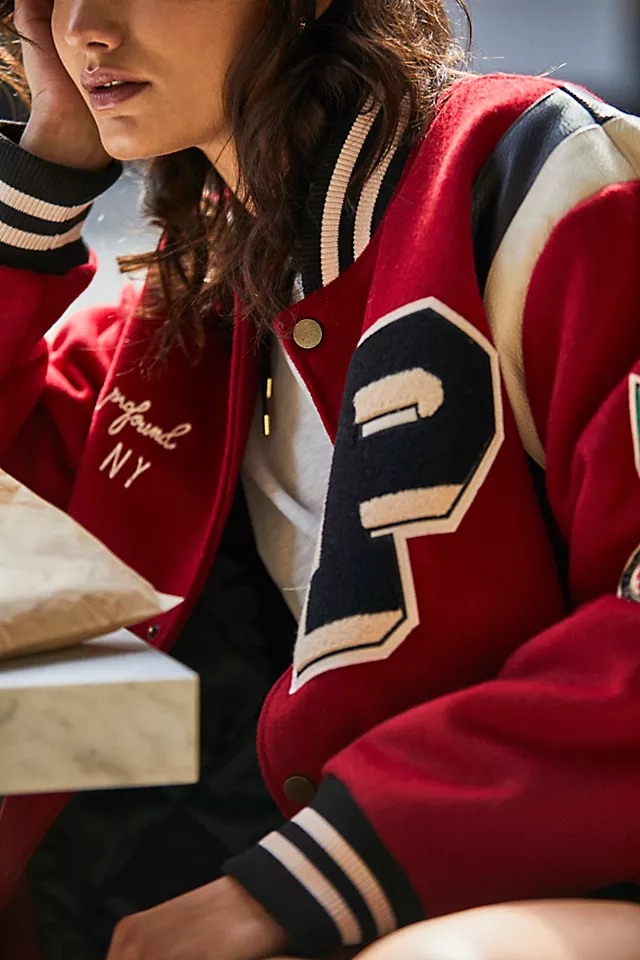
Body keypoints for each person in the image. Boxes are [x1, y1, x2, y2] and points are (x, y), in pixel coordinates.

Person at [0, 0, 639, 959]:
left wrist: (306, 882)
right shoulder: (189, 297)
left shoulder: (534, 171)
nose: (85, 28)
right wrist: (44, 171)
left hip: (546, 881)